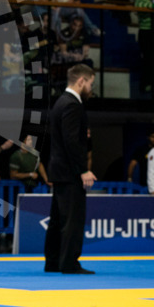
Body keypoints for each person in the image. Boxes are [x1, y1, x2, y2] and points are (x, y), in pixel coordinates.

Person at [44, 63, 96, 274]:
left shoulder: (60, 103)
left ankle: (54, 261)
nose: (91, 89)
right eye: (90, 84)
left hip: (60, 170)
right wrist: (83, 169)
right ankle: (69, 263)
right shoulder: (72, 105)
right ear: (81, 81)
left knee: (58, 219)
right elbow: (71, 141)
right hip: (70, 171)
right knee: (72, 220)